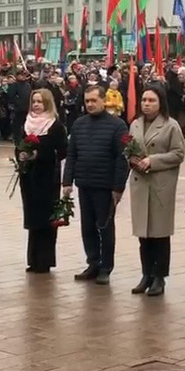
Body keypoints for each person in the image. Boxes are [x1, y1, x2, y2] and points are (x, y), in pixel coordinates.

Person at [62, 85, 129, 285]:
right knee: (87, 227)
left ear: (103, 100)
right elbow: (72, 154)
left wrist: (118, 188)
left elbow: (121, 158)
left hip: (105, 186)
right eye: (87, 101)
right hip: (85, 183)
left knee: (105, 227)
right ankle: (93, 262)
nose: (90, 104)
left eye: (94, 100)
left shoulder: (118, 126)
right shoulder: (79, 124)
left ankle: (106, 267)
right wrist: (67, 181)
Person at [127, 84, 185, 297]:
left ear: (161, 103)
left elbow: (179, 153)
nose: (147, 104)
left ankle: (159, 277)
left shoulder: (171, 125)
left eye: (152, 100)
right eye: (144, 100)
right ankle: (146, 274)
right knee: (143, 234)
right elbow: (129, 148)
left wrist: (153, 160)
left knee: (159, 234)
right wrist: (131, 159)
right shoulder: (135, 124)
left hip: (160, 185)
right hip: (140, 184)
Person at [19, 89, 67, 273]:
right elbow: (20, 143)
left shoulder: (55, 125)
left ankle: (45, 260)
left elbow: (62, 150)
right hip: (29, 177)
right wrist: (22, 154)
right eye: (34, 101)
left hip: (47, 177)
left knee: (46, 219)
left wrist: (39, 154)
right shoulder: (26, 124)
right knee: (32, 218)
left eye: (40, 101)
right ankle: (33, 259)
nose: (36, 105)